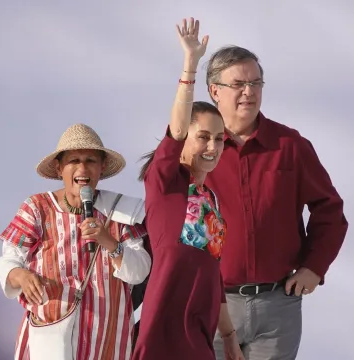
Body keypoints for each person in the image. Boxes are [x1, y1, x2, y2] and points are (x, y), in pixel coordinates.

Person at [205, 45, 348, 359]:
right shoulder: (197, 149)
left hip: (277, 306)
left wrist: (314, 267)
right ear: (215, 90)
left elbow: (330, 210)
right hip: (212, 305)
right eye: (239, 84)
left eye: (256, 83)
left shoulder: (290, 145)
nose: (249, 92)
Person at [131, 18, 244, 360]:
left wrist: (230, 337)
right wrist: (190, 64)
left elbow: (213, 273)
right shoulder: (166, 181)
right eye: (203, 137)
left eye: (220, 139)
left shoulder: (211, 200)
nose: (212, 146)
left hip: (200, 334)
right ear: (182, 141)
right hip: (161, 331)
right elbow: (177, 128)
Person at [0, 123, 151, 360]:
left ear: (102, 167)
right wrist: (22, 276)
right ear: (59, 168)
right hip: (51, 340)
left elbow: (139, 272)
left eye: (90, 160)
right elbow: (8, 260)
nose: (82, 168)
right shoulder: (37, 208)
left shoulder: (121, 211)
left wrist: (109, 241)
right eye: (73, 161)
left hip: (106, 340)